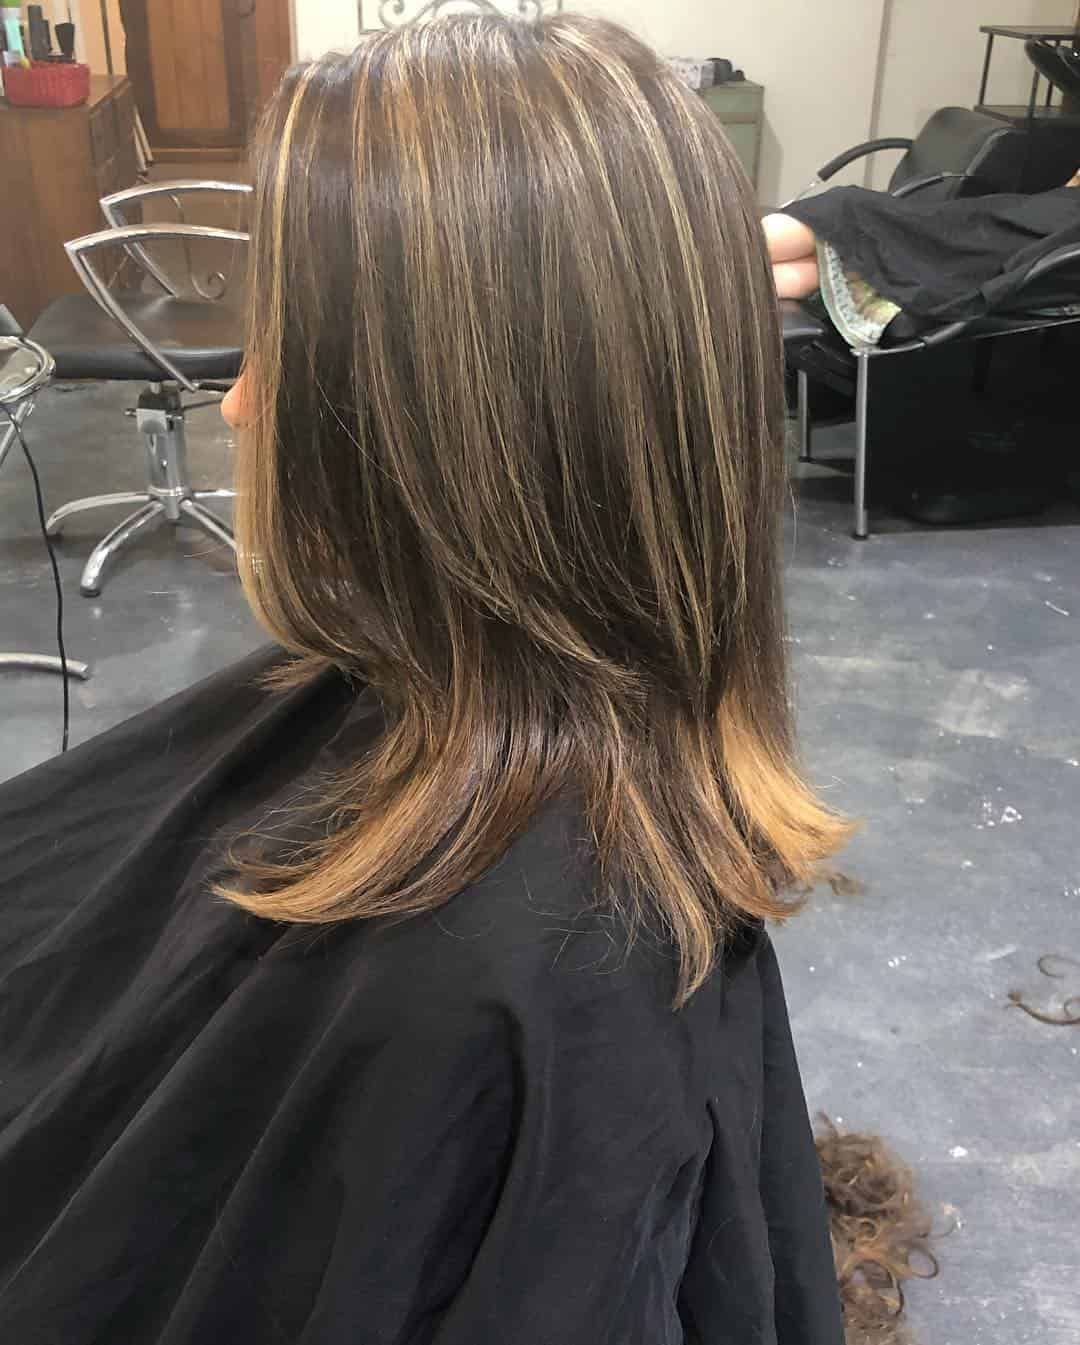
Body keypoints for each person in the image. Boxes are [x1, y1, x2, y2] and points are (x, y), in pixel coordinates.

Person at [0, 15, 851, 1343]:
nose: (235, 404)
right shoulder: (516, 819)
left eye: (284, 341)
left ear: (433, 436)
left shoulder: (505, 993)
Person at [763, 174, 1080, 345]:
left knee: (846, 208)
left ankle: (719, 259)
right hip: (996, 218)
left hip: (1000, 243)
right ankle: (718, 273)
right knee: (840, 227)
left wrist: (1004, 283)